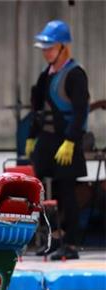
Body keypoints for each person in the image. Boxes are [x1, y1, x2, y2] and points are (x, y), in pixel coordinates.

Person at [27, 20, 90, 261]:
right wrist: (32, 136)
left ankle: (71, 242)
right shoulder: (47, 75)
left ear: (63, 47)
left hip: (66, 142)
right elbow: (38, 109)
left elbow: (80, 111)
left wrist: (72, 141)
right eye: (43, 48)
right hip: (47, 140)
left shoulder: (75, 74)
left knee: (67, 192)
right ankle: (53, 237)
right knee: (43, 191)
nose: (46, 53)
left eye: (50, 48)